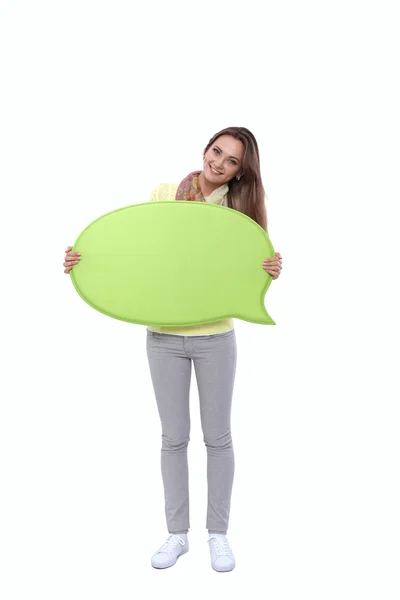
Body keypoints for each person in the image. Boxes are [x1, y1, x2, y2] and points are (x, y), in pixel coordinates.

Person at [63, 127, 282, 572]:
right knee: (173, 438)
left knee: (218, 438)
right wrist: (88, 259)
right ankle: (176, 533)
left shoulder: (239, 212)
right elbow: (141, 251)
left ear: (241, 171)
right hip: (163, 335)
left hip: (215, 337)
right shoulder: (165, 193)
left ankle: (217, 535)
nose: (218, 163)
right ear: (205, 149)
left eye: (231, 160)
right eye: (216, 151)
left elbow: (243, 269)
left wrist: (269, 270)